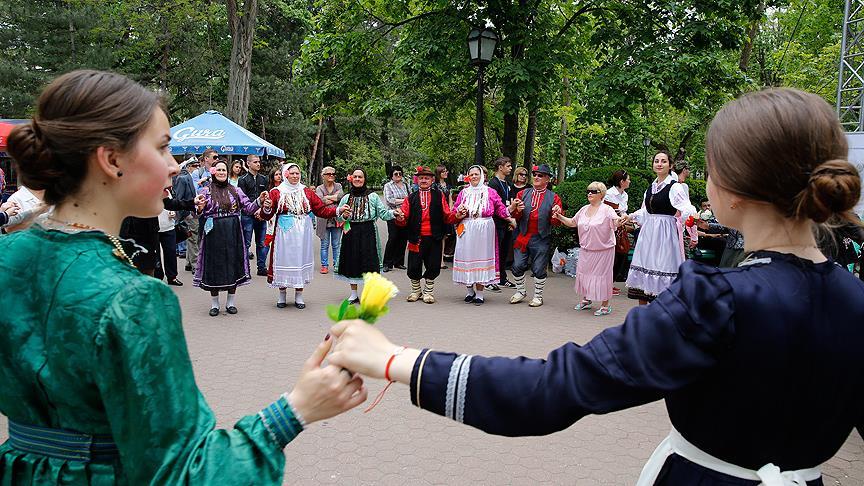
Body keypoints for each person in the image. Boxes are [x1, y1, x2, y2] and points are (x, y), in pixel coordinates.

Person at [328, 87, 864, 486]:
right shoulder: (854, 299)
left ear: (730, 187)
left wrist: (394, 360)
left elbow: (552, 390)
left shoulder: (715, 301)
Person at [0, 69, 366, 485]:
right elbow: (190, 472)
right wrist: (296, 409)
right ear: (112, 160)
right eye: (162, 148)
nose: (175, 167)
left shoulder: (7, 257)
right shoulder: (133, 299)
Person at [193, 160, 269, 316]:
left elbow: (248, 208)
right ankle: (214, 304)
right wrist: (199, 209)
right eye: (219, 170)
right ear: (214, 172)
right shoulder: (205, 191)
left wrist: (259, 201)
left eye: (224, 170)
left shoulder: (236, 190)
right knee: (214, 266)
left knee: (232, 264)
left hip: (233, 231)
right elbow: (197, 212)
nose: (222, 173)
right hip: (213, 232)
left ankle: (230, 303)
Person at [259, 163, 336, 309]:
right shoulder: (276, 192)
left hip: (303, 232)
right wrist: (267, 207)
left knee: (300, 260)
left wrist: (337, 211)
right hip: (284, 232)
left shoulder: (306, 191)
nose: (295, 176)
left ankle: (299, 296)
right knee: (284, 259)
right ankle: (282, 295)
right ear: (285, 174)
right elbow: (266, 215)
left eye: (297, 173)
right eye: (292, 173)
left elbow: (320, 210)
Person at [625, 151, 698, 304]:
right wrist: (629, 216)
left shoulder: (674, 187)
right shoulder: (651, 187)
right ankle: (643, 317)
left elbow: (687, 208)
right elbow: (646, 211)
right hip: (649, 232)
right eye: (656, 161)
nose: (659, 163)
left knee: (662, 266)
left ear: (670, 165)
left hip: (665, 232)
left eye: (663, 161)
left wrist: (689, 221)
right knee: (645, 270)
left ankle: (661, 317)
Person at [556, 182, 627, 315]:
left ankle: (605, 305)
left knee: (603, 277)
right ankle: (586, 300)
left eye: (594, 191)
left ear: (601, 194)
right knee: (584, 274)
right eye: (588, 190)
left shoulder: (607, 209)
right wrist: (559, 216)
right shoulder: (583, 209)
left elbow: (616, 221)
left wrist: (622, 219)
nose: (589, 193)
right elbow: (572, 222)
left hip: (603, 250)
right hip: (586, 249)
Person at [451, 165, 515, 305]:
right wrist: (458, 213)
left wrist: (512, 208)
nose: (474, 177)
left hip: (485, 229)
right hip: (467, 228)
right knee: (467, 257)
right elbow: (454, 212)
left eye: (476, 174)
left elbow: (501, 209)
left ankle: (480, 293)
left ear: (482, 176)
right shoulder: (463, 193)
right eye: (471, 174)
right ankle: (469, 291)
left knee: (482, 258)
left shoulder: (490, 192)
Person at [334, 168, 400, 303]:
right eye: (355, 177)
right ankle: (353, 293)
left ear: (365, 179)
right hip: (351, 232)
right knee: (352, 261)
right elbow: (339, 220)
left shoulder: (373, 196)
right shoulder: (346, 197)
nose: (358, 179)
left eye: (360, 177)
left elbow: (383, 213)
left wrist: (394, 213)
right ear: (351, 179)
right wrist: (343, 216)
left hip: (368, 231)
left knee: (369, 262)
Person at [396, 165, 459, 303]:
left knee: (433, 264)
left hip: (434, 237)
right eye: (421, 178)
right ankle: (416, 291)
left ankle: (428, 292)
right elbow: (404, 217)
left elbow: (447, 215)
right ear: (417, 180)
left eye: (427, 178)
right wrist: (400, 218)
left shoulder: (439, 195)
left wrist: (457, 215)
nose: (423, 180)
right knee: (414, 265)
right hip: (416, 238)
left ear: (432, 180)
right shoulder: (410, 198)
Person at [508, 164, 563, 308]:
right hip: (523, 235)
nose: (536, 177)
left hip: (541, 237)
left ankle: (538, 296)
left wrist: (556, 213)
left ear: (547, 179)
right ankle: (521, 292)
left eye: (541, 175)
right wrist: (517, 210)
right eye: (535, 174)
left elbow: (555, 222)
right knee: (517, 265)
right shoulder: (523, 194)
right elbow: (515, 216)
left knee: (538, 268)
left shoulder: (554, 197)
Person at [237, 154, 270, 276]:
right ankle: (245, 270)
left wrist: (261, 210)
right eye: (255, 162)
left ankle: (261, 268)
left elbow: (266, 196)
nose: (258, 164)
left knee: (261, 242)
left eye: (259, 162)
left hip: (261, 215)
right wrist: (253, 209)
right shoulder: (243, 179)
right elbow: (242, 199)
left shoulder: (264, 179)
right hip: (247, 215)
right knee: (246, 243)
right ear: (248, 163)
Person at [487, 156, 516, 289]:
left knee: (504, 251)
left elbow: (508, 202)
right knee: (495, 251)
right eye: (508, 166)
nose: (510, 168)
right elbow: (495, 207)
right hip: (496, 222)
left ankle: (502, 278)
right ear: (500, 167)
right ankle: (491, 279)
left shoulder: (507, 184)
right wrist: (508, 218)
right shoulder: (493, 184)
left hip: (506, 222)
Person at [604, 169, 632, 293]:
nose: (630, 181)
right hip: (610, 227)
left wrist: (629, 218)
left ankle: (610, 282)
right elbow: (611, 211)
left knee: (621, 253)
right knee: (611, 256)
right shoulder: (609, 194)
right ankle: (606, 284)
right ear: (622, 181)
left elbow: (623, 211)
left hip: (620, 226)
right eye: (628, 179)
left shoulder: (625, 195)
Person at [315, 166, 344, 274]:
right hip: (324, 220)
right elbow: (320, 201)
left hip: (337, 219)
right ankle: (324, 265)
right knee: (324, 244)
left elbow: (341, 197)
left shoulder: (339, 186)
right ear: (323, 176)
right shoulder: (319, 188)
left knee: (336, 244)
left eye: (333, 173)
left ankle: (337, 265)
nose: (331, 175)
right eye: (329, 174)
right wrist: (334, 198)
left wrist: (327, 198)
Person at [382, 165, 410, 272]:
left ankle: (399, 262)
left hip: (405, 214)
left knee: (403, 238)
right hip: (393, 214)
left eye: (400, 173)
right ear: (391, 176)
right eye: (395, 174)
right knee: (393, 237)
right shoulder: (388, 186)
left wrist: (402, 200)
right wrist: (404, 200)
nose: (398, 176)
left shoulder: (406, 185)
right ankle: (387, 263)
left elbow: (410, 197)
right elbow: (390, 200)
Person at [433, 164, 456, 267]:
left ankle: (441, 259)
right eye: (443, 171)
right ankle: (436, 259)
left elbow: (450, 198)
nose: (446, 173)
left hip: (446, 213)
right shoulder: (434, 186)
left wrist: (450, 211)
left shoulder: (448, 185)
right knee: (438, 236)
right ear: (439, 174)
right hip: (438, 213)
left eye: (446, 171)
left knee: (445, 236)